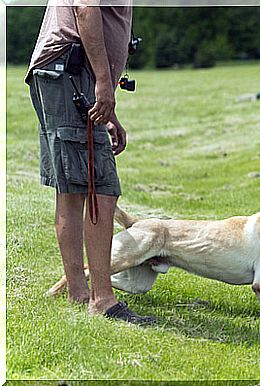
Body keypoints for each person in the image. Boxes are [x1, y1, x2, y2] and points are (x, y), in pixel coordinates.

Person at [26, 1, 155, 324]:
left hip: (63, 73)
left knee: (71, 189)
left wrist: (108, 112)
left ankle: (79, 290)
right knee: (102, 188)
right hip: (72, 70)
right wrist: (102, 83)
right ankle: (102, 299)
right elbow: (86, 8)